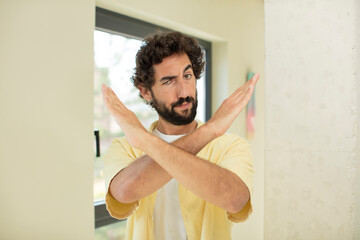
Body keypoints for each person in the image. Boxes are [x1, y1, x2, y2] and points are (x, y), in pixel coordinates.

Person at [102, 31, 259, 240]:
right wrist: (209, 131)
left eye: (187, 76)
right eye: (168, 81)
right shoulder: (126, 147)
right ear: (146, 91)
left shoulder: (230, 146)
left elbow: (235, 200)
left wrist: (147, 142)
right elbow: (124, 192)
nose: (184, 92)